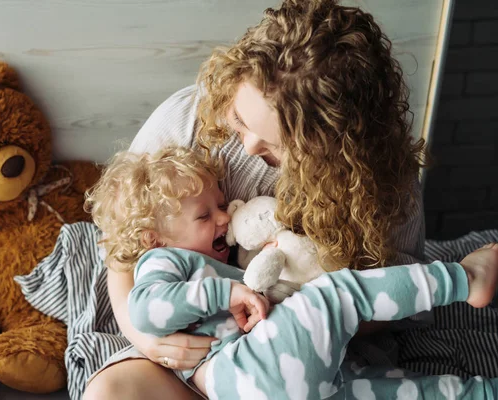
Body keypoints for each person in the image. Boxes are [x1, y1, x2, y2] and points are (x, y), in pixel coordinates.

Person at [85, 0, 427, 398]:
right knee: (110, 391)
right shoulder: (189, 118)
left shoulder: (383, 182)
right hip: (200, 352)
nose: (247, 147)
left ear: (336, 149)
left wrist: (297, 303)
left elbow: (404, 297)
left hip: (314, 357)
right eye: (240, 121)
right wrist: (143, 336)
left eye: (276, 145)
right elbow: (121, 244)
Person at [84, 146, 498, 399]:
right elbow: (146, 312)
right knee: (338, 294)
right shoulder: (162, 261)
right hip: (242, 375)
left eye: (222, 203)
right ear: (155, 238)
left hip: (285, 379)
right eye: (204, 215)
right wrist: (223, 294)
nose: (225, 217)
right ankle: (463, 279)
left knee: (398, 390)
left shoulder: (218, 258)